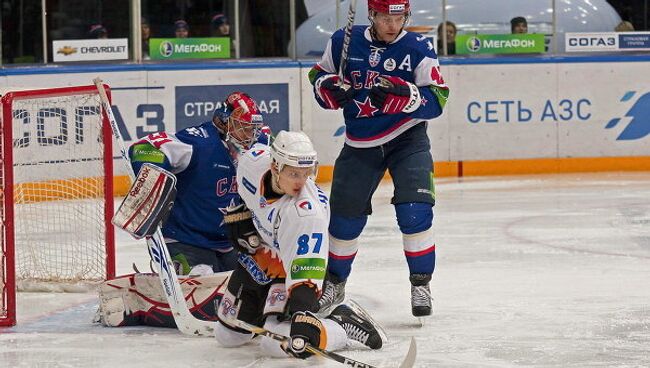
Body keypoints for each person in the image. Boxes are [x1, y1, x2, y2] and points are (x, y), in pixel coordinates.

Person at [307, 0, 449, 318]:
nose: (392, 25)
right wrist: (326, 88)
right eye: (386, 17)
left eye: (399, 18)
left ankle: (421, 283)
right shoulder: (342, 41)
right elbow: (317, 76)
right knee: (344, 220)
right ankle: (335, 283)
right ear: (372, 15)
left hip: (407, 139)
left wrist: (409, 96)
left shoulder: (418, 47)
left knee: (415, 211)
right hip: (360, 142)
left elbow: (438, 99)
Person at [214, 131, 384, 358]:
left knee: (276, 345)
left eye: (307, 173)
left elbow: (307, 270)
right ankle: (268, 317)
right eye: (294, 173)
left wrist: (302, 314)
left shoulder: (305, 215)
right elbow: (243, 190)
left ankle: (340, 324)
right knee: (228, 336)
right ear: (275, 166)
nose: (301, 181)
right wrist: (239, 212)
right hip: (262, 258)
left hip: (294, 269)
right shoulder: (253, 162)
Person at [128, 91, 267, 276]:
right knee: (203, 277)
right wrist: (153, 181)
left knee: (260, 277)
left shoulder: (259, 144)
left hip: (230, 241)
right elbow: (144, 147)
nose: (251, 135)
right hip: (184, 238)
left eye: (254, 129)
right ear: (224, 122)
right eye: (245, 128)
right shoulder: (200, 143)